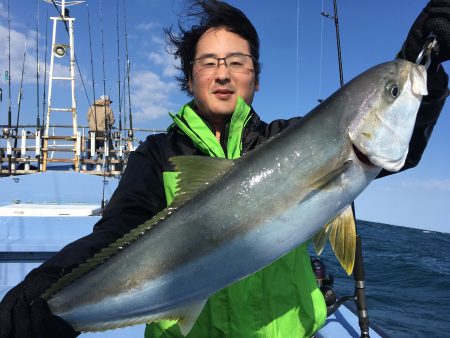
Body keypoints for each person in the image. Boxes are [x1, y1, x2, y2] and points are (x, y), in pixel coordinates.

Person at [0, 1, 449, 337]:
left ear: (255, 76)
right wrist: (50, 290)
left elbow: (398, 148)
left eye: (237, 62)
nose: (222, 74)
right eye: (209, 63)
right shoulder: (157, 156)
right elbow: (119, 231)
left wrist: (416, 64)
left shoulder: (287, 139)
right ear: (189, 76)